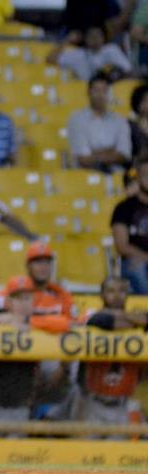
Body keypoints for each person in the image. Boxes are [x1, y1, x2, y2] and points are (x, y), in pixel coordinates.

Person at [0, 276, 72, 426]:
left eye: (27, 298)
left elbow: (65, 324)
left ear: (33, 301)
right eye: (18, 299)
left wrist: (27, 322)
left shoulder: (38, 320)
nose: (23, 303)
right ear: (9, 302)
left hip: (19, 404)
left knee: (15, 449)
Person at [74, 276, 145, 428]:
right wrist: (136, 319)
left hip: (122, 404)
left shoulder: (138, 324)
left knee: (119, 450)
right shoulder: (92, 316)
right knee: (88, 451)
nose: (117, 296)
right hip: (92, 401)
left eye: (122, 291)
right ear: (101, 295)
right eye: (111, 291)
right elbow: (101, 320)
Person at [67, 73, 131, 173]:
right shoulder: (77, 119)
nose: (100, 95)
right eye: (96, 90)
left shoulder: (119, 120)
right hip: (85, 173)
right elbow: (83, 159)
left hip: (115, 171)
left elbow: (124, 154)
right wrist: (111, 151)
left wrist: (95, 154)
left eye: (104, 91)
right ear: (88, 92)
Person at [0, 242, 75, 318]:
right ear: (28, 266)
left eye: (47, 262)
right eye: (38, 262)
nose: (43, 267)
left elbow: (73, 325)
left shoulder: (62, 295)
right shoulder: (12, 292)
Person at [112, 158, 148, 294]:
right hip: (136, 260)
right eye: (146, 175)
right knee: (138, 267)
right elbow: (122, 246)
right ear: (137, 177)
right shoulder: (124, 207)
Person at [48, 25, 131, 81]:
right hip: (84, 91)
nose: (95, 39)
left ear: (103, 38)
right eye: (92, 36)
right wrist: (67, 41)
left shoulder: (112, 49)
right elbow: (50, 59)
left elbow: (128, 70)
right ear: (86, 39)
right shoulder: (78, 54)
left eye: (98, 35)